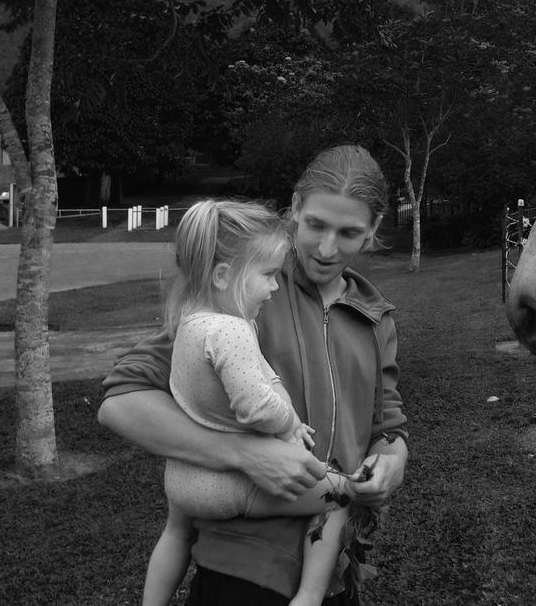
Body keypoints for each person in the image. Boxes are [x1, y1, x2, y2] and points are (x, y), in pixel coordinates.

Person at [100, 145, 408, 606]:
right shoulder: (250, 291)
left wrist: (393, 460)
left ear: (374, 230)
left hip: (333, 573)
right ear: (295, 209)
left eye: (348, 233)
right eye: (316, 225)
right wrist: (245, 454)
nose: (327, 249)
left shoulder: (375, 318)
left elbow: (386, 425)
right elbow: (120, 402)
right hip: (239, 576)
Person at [142, 198, 359, 606]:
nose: (276, 287)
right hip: (226, 487)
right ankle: (309, 597)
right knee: (341, 494)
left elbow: (253, 374)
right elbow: (254, 407)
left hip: (183, 476)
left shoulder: (190, 321)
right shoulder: (231, 330)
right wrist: (290, 423)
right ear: (225, 275)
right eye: (268, 275)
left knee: (175, 532)